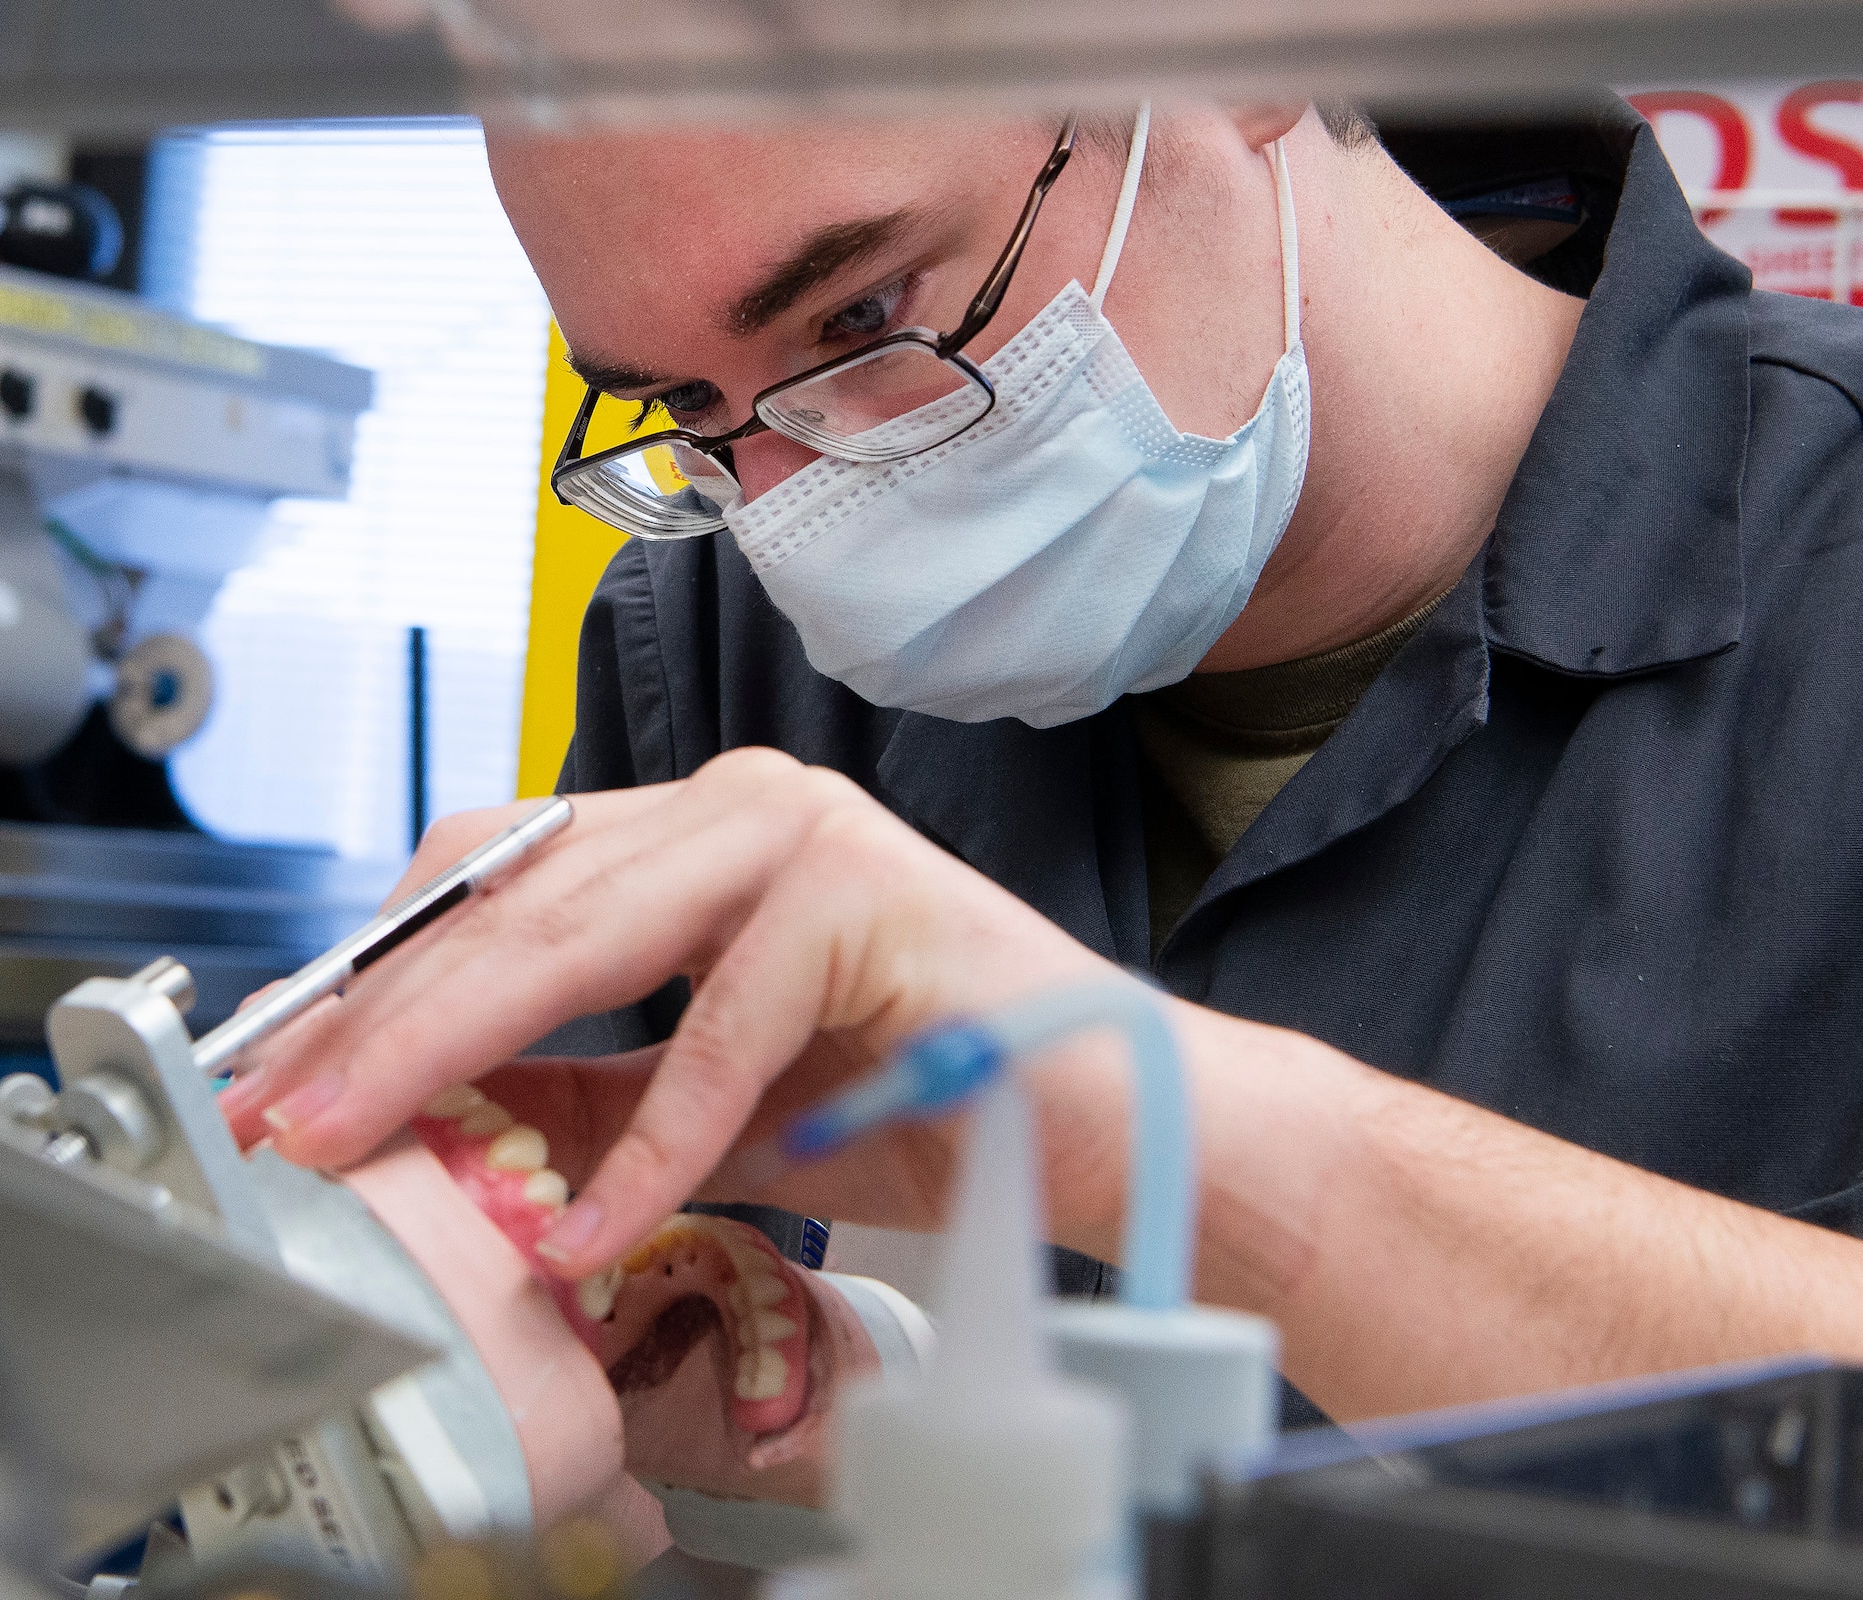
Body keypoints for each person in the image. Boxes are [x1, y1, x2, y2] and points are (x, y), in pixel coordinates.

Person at [221, 92, 1863, 1449]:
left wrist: (1164, 1134)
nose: (805, 507)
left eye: (868, 318)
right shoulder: (719, 637)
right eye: (683, 411)